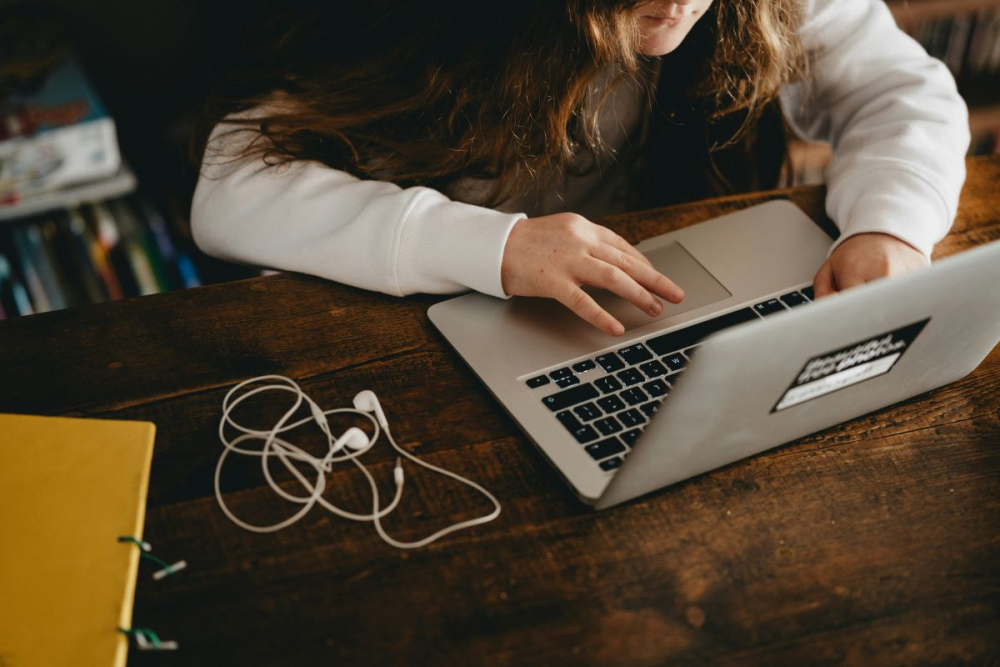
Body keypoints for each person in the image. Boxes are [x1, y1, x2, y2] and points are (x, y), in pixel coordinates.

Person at [190, 0, 968, 337]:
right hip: (430, 320)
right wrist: (499, 248)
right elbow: (232, 184)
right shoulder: (419, 21)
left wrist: (892, 226)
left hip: (656, 303)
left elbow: (898, 89)